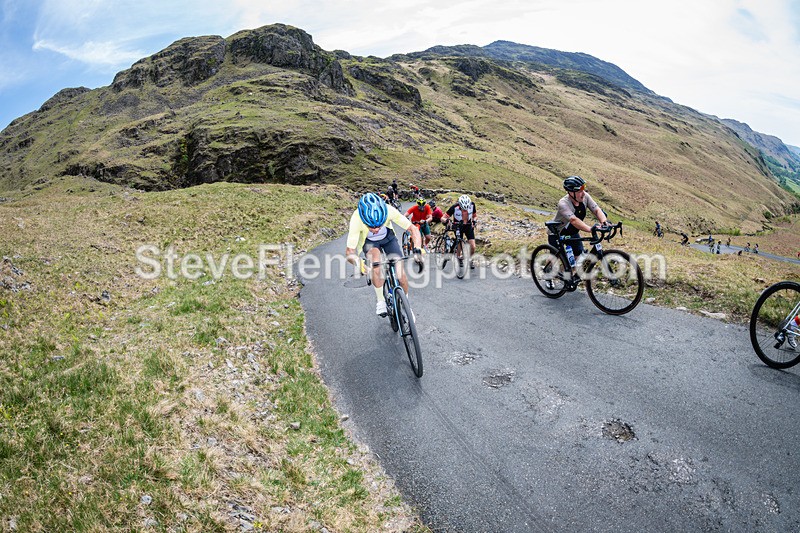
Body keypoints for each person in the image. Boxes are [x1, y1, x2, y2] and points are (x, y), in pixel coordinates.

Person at [346, 193, 422, 316]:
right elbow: (350, 252)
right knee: (376, 266)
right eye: (371, 226)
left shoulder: (388, 210)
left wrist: (417, 248)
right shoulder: (357, 218)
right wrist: (359, 263)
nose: (376, 229)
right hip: (369, 242)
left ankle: (406, 305)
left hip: (388, 238)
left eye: (379, 225)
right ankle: (380, 300)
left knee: (401, 274)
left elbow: (413, 229)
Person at [548, 175, 609, 264]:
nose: (583, 193)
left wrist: (604, 222)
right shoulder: (563, 203)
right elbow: (573, 220)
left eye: (583, 190)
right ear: (571, 192)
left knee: (578, 258)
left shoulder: (585, 197)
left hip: (572, 232)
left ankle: (571, 272)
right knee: (554, 258)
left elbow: (596, 210)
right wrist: (590, 229)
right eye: (579, 191)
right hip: (557, 232)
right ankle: (546, 270)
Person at [441, 194, 479, 269]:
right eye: (463, 209)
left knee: (473, 246)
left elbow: (475, 216)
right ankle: (459, 258)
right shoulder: (454, 207)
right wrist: (447, 221)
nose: (465, 210)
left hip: (468, 226)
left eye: (466, 208)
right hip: (458, 226)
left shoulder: (472, 205)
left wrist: (474, 221)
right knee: (459, 242)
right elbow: (442, 218)